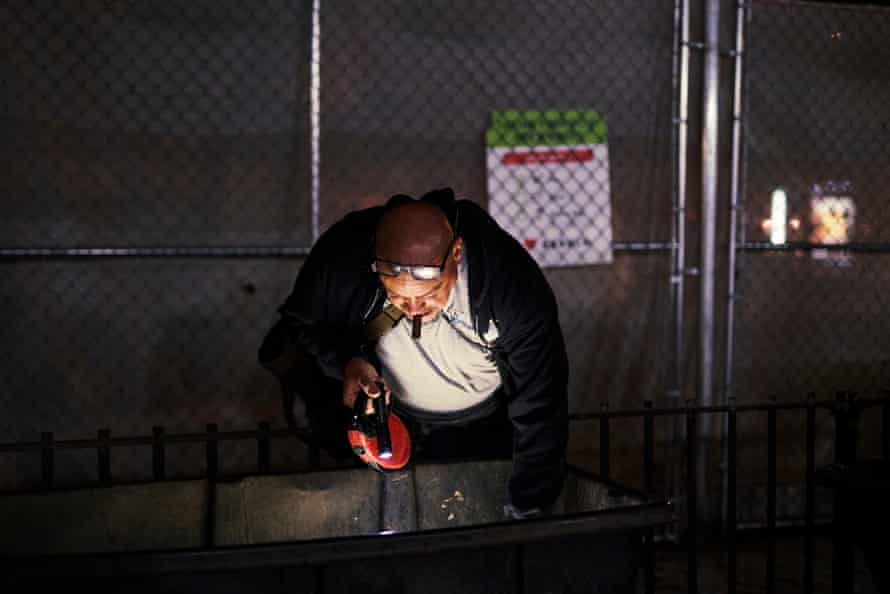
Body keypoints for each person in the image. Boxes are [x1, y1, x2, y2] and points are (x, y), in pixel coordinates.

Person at [259, 187, 569, 518]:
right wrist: (350, 360)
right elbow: (303, 324)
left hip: (486, 421)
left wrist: (530, 503)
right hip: (397, 421)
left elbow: (541, 398)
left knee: (477, 512)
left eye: (430, 294)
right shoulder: (343, 258)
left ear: (457, 253)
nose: (415, 309)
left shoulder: (509, 285)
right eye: (400, 298)